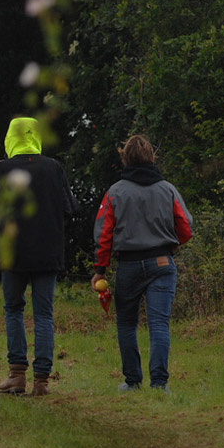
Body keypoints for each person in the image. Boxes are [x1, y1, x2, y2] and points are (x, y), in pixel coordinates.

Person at [0, 117, 78, 396]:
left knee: (14, 310)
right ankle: (41, 381)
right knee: (44, 314)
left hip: (13, 252)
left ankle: (17, 376)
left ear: (10, 138)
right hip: (47, 252)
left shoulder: (1, 169)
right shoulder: (54, 168)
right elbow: (69, 209)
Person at [92, 134, 192, 394]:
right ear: (152, 157)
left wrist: (99, 270)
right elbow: (186, 227)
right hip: (162, 262)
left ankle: (132, 381)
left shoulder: (115, 192)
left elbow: (104, 236)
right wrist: (170, 246)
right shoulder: (167, 189)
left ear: (125, 157)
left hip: (129, 265)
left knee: (126, 324)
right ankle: (160, 384)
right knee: (159, 324)